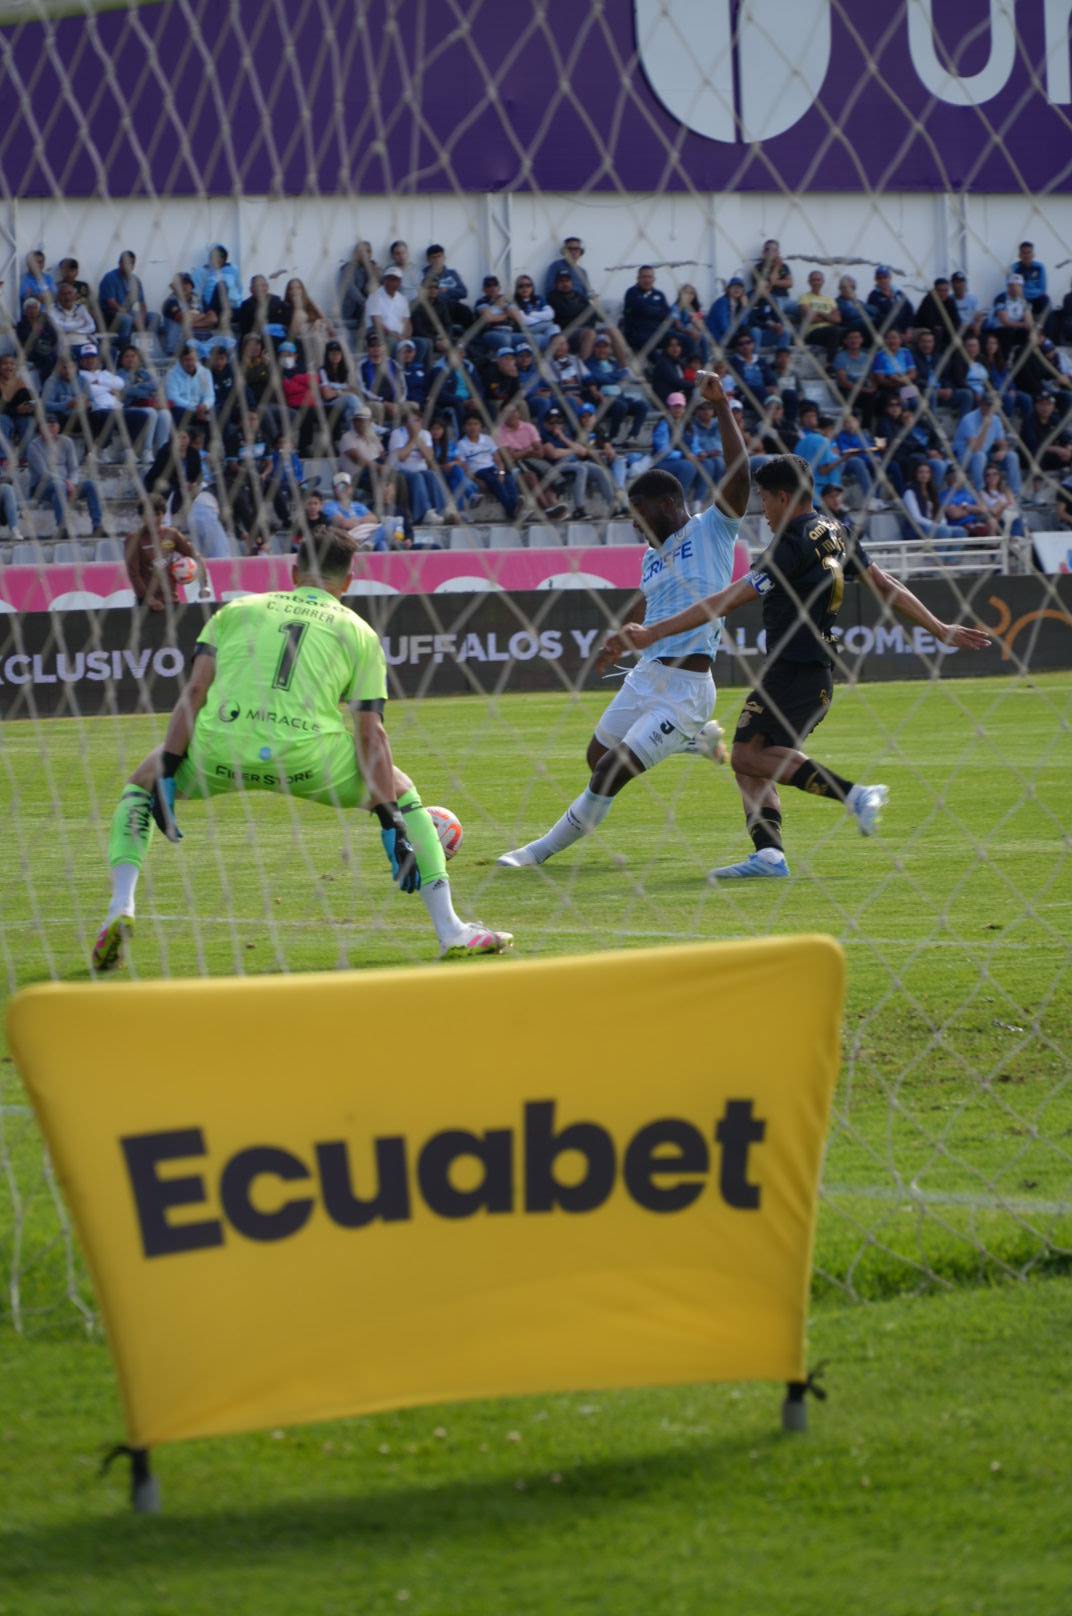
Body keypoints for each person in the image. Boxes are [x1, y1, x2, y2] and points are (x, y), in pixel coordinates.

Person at [91, 527, 512, 972]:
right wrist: (390, 820)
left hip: (223, 749)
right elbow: (372, 735)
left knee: (140, 780)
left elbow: (194, 693)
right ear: (348, 582)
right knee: (403, 788)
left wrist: (169, 770)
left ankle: (121, 907)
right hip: (310, 759)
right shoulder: (359, 632)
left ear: (293, 572)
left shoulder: (237, 610)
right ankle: (450, 929)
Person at [601, 454, 991, 880]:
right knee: (750, 758)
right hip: (814, 668)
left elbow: (729, 600)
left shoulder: (789, 544)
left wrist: (654, 633)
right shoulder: (836, 531)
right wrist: (938, 627)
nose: (762, 510)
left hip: (795, 667)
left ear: (784, 497)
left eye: (765, 499)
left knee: (749, 753)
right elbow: (885, 584)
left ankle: (857, 796)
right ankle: (769, 856)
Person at [496, 371, 749, 871]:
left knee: (610, 771)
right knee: (597, 755)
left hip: (687, 687)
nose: (634, 523)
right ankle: (698, 742)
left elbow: (739, 473)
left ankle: (538, 852)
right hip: (646, 675)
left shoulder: (714, 530)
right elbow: (648, 600)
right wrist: (619, 636)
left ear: (670, 506)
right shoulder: (651, 555)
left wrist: (721, 407)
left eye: (639, 514)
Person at [123, 492, 209, 612]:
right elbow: (134, 574)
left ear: (163, 515)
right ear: (142, 516)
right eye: (149, 515)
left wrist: (204, 585)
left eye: (157, 514)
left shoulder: (172, 535)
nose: (153, 519)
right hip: (147, 607)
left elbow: (196, 556)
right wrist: (150, 600)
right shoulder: (133, 539)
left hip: (172, 602)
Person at [27, 418, 105, 537]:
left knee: (90, 485)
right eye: (47, 426)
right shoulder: (34, 446)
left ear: (58, 427)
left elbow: (74, 468)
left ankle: (97, 526)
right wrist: (65, 481)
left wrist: (72, 482)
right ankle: (62, 528)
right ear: (40, 428)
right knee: (59, 487)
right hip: (42, 486)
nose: (51, 429)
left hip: (67, 485)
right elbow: (43, 473)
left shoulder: (66, 442)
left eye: (53, 426)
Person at [387, 406, 447, 525]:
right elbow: (402, 457)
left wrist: (418, 438)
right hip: (400, 470)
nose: (416, 423)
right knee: (417, 477)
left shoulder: (425, 434)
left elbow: (429, 457)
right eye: (413, 420)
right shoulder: (397, 434)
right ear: (405, 422)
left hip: (421, 469)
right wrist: (412, 438)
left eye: (418, 420)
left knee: (431, 475)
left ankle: (441, 512)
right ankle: (423, 514)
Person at [953, 395, 1022, 494]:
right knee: (980, 456)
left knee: (1012, 456)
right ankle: (981, 492)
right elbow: (976, 448)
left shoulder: (996, 419)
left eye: (992, 406)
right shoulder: (968, 419)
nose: (990, 408)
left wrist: (1003, 450)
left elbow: (1001, 442)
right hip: (965, 458)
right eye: (987, 405)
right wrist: (985, 427)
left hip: (985, 454)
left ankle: (1015, 493)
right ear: (981, 404)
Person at [455, 413, 520, 518]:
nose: (473, 427)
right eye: (469, 424)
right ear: (464, 427)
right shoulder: (462, 444)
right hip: (479, 472)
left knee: (509, 478)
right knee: (495, 482)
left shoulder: (487, 439)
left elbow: (499, 461)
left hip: (493, 469)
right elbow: (464, 467)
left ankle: (513, 508)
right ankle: (513, 510)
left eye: (476, 424)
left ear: (481, 426)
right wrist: (476, 480)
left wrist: (501, 474)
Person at [650, 391, 701, 501]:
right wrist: (683, 455)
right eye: (675, 406)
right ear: (669, 408)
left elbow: (695, 444)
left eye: (680, 406)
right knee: (688, 466)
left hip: (684, 458)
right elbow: (663, 450)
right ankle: (680, 499)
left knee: (708, 464)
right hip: (663, 461)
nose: (678, 409)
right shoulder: (663, 424)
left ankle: (698, 501)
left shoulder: (688, 425)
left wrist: (698, 453)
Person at [620, 266, 671, 357]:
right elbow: (641, 310)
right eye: (644, 277)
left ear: (654, 279)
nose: (647, 280)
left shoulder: (659, 294)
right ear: (638, 278)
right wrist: (656, 310)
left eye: (649, 277)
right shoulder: (632, 292)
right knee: (655, 353)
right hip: (638, 333)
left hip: (658, 331)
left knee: (685, 339)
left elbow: (667, 313)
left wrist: (650, 309)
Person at [97, 251, 147, 344]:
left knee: (154, 317)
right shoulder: (110, 277)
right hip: (109, 313)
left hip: (129, 312)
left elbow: (142, 304)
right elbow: (111, 302)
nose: (129, 266)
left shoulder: (135, 280)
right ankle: (124, 348)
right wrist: (130, 314)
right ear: (120, 263)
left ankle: (143, 349)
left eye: (132, 263)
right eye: (126, 263)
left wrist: (142, 317)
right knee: (127, 319)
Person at [165, 343, 215, 431]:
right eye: (187, 360)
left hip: (201, 409)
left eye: (193, 359)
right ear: (180, 360)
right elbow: (173, 398)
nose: (190, 363)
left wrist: (204, 406)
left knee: (217, 412)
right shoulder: (171, 374)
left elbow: (209, 395)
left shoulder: (205, 372)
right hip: (183, 409)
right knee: (177, 412)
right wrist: (195, 408)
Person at [796, 270, 842, 362]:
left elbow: (837, 319)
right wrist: (829, 317)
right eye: (814, 280)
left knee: (848, 333)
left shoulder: (830, 300)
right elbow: (810, 318)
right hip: (812, 333)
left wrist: (819, 312)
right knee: (834, 331)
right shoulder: (804, 297)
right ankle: (830, 364)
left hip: (829, 332)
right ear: (809, 282)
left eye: (818, 280)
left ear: (823, 282)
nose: (816, 282)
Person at [509, 275, 559, 351]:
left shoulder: (539, 298)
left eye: (528, 285)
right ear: (517, 289)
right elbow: (525, 321)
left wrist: (532, 314)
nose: (525, 288)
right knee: (550, 325)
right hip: (527, 329)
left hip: (542, 327)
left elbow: (551, 314)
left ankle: (556, 352)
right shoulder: (514, 302)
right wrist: (544, 319)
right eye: (521, 286)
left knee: (554, 328)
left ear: (532, 287)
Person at [365, 267, 411, 349]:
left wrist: (404, 337)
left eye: (395, 279)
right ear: (385, 280)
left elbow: (407, 323)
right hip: (379, 334)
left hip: (399, 336)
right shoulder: (374, 297)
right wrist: (394, 335)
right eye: (389, 279)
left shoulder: (403, 299)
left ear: (400, 282)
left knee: (424, 343)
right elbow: (376, 322)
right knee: (392, 342)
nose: (392, 282)